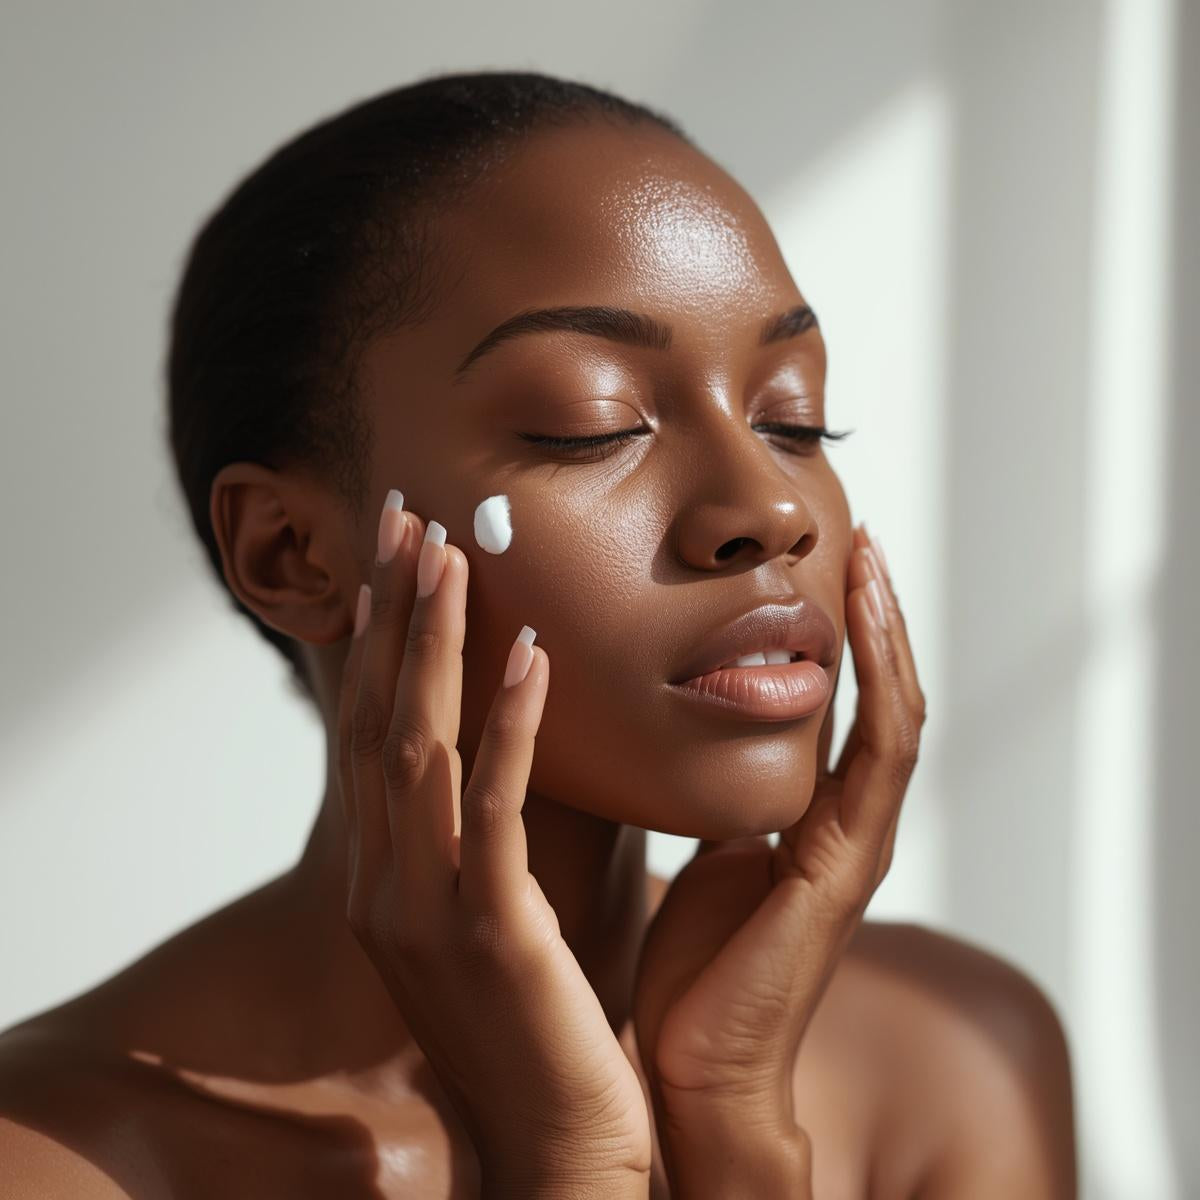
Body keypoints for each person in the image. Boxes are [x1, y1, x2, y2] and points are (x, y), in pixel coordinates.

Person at [0, 70, 1077, 1197]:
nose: (768, 509)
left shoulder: (952, 1061)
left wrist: (734, 1124)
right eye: (591, 423)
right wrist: (572, 1162)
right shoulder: (57, 1162)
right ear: (293, 554)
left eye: (793, 417)